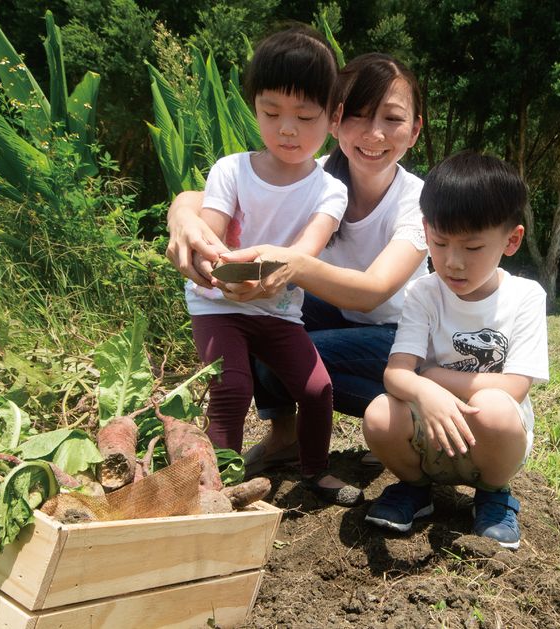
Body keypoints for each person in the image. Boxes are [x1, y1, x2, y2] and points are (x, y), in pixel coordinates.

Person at [167, 51, 427, 479]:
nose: (374, 133)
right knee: (262, 323)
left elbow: (373, 291)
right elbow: (225, 189)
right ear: (336, 120)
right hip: (332, 312)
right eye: (359, 115)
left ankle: (406, 412)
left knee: (284, 352)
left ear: (414, 131)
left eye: (393, 119)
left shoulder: (418, 202)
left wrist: (291, 264)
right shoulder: (316, 173)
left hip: (396, 335)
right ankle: (284, 439)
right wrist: (182, 213)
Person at [185, 26, 361, 505]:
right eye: (271, 112)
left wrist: (272, 274)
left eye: (305, 116)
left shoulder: (330, 189)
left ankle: (316, 471)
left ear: (333, 117)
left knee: (318, 387)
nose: (287, 128)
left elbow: (305, 252)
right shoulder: (231, 170)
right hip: (219, 306)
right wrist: (209, 260)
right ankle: (215, 486)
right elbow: (209, 233)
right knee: (232, 386)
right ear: (254, 106)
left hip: (279, 310)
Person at [362, 151, 549, 549]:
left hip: (491, 441)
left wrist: (431, 378)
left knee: (494, 406)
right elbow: (396, 373)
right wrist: (423, 391)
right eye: (440, 242)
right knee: (379, 414)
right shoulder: (423, 293)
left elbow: (514, 387)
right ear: (426, 229)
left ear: (512, 240)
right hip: (429, 433)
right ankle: (415, 488)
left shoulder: (524, 296)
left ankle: (495, 495)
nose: (452, 262)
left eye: (473, 247)